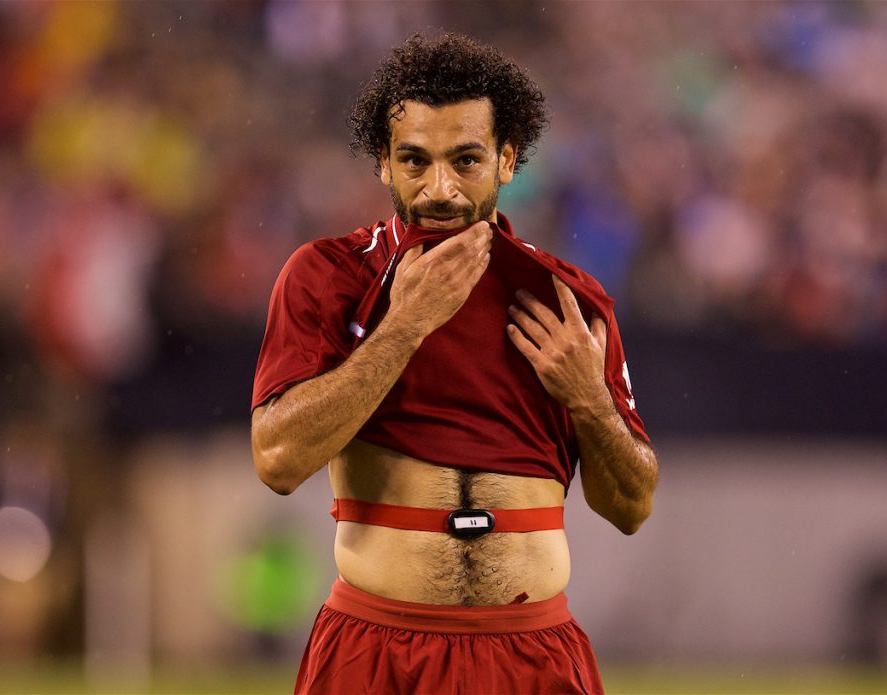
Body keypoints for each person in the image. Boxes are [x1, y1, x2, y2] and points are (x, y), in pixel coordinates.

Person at [251, 33, 658, 695]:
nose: (439, 188)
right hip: (374, 645)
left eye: (465, 160)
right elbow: (277, 459)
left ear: (507, 159)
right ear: (383, 162)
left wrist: (589, 398)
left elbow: (632, 504)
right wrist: (404, 325)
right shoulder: (327, 278)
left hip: (532, 653)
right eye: (415, 160)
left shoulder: (568, 302)